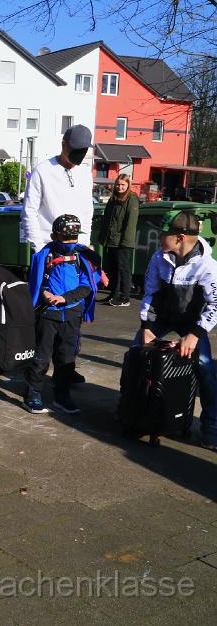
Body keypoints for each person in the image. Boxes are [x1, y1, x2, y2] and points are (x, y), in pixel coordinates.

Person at [138, 210, 217, 451]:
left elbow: (215, 304)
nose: (159, 237)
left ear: (180, 238)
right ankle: (133, 412)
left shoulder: (207, 265)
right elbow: (150, 292)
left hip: (190, 323)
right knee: (136, 354)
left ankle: (211, 429)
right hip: (161, 318)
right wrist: (147, 327)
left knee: (205, 367)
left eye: (163, 233)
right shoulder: (158, 257)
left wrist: (195, 334)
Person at [24, 214, 103, 415]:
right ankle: (32, 394)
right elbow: (36, 282)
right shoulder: (44, 255)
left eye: (74, 237)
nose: (70, 242)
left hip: (72, 314)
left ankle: (62, 395)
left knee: (66, 358)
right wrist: (45, 294)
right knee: (41, 357)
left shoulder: (83, 257)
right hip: (48, 315)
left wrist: (65, 298)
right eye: (66, 238)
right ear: (54, 236)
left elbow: (87, 286)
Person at [20, 124, 95, 253]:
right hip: (49, 248)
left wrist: (84, 244)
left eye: (84, 149)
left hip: (77, 249)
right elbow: (29, 211)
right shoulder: (42, 171)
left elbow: (87, 212)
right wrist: (40, 249)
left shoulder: (85, 174)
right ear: (63, 145)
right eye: (76, 148)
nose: (80, 153)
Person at [99, 174, 139, 307]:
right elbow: (107, 220)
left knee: (123, 269)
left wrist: (125, 242)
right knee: (112, 269)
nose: (119, 187)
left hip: (123, 242)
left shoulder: (131, 199)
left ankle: (125, 297)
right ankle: (114, 294)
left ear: (128, 185)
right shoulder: (113, 199)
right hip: (111, 240)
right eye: (118, 184)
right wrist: (103, 238)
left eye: (123, 185)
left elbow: (130, 223)